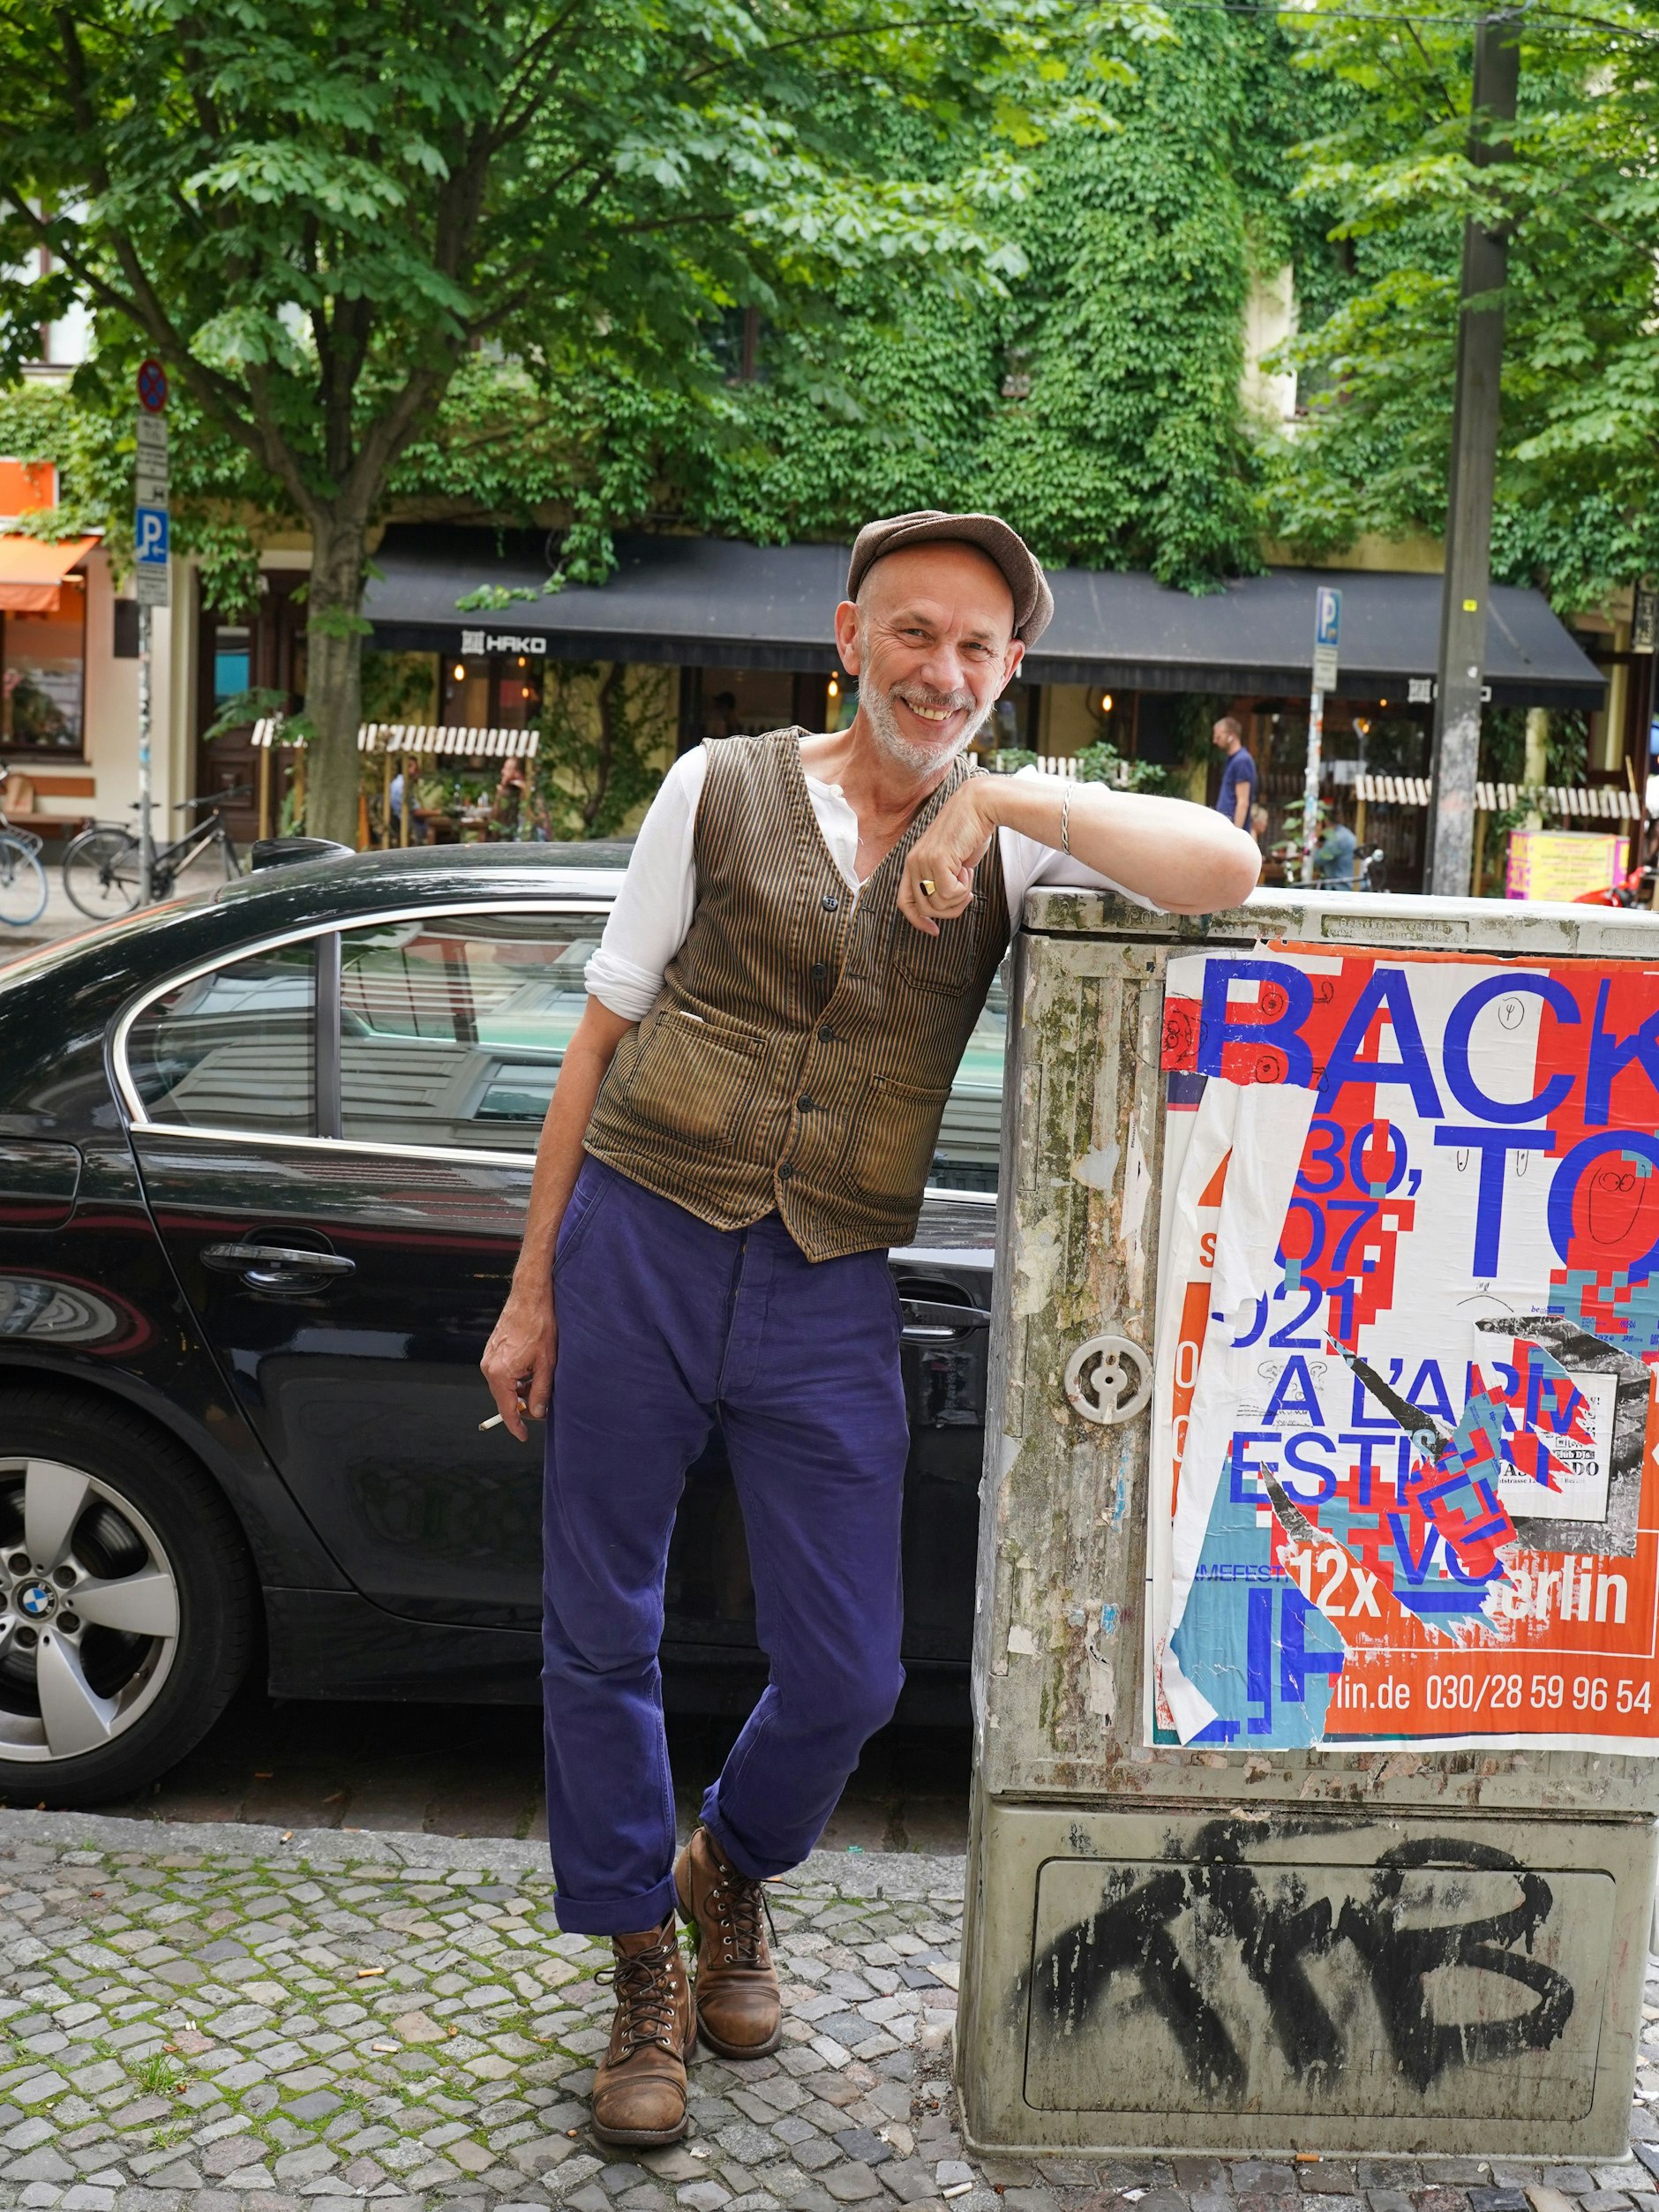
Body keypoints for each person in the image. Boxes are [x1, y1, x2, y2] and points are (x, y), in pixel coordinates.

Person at [480, 510, 1259, 2150]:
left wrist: (1001, 792)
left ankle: (727, 1871)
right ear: (849, 637)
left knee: (848, 1665)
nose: (943, 670)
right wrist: (533, 1285)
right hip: (642, 1233)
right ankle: (642, 1959)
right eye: (915, 634)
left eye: (978, 650)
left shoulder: (1018, 834)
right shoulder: (716, 784)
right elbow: (597, 1038)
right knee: (598, 1624)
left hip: (829, 1276)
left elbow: (1225, 865)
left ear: (1011, 673)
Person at [1212, 714, 1256, 830]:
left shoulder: (1242, 760)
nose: (1215, 741)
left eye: (1218, 737)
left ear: (1231, 736)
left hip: (1231, 829)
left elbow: (1243, 802)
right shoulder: (1231, 760)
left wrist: (1236, 833)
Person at [1315, 801, 1359, 887]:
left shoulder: (1337, 838)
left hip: (1343, 888)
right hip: (1349, 883)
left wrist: (1317, 838)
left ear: (1324, 820)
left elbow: (1317, 860)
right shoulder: (1342, 833)